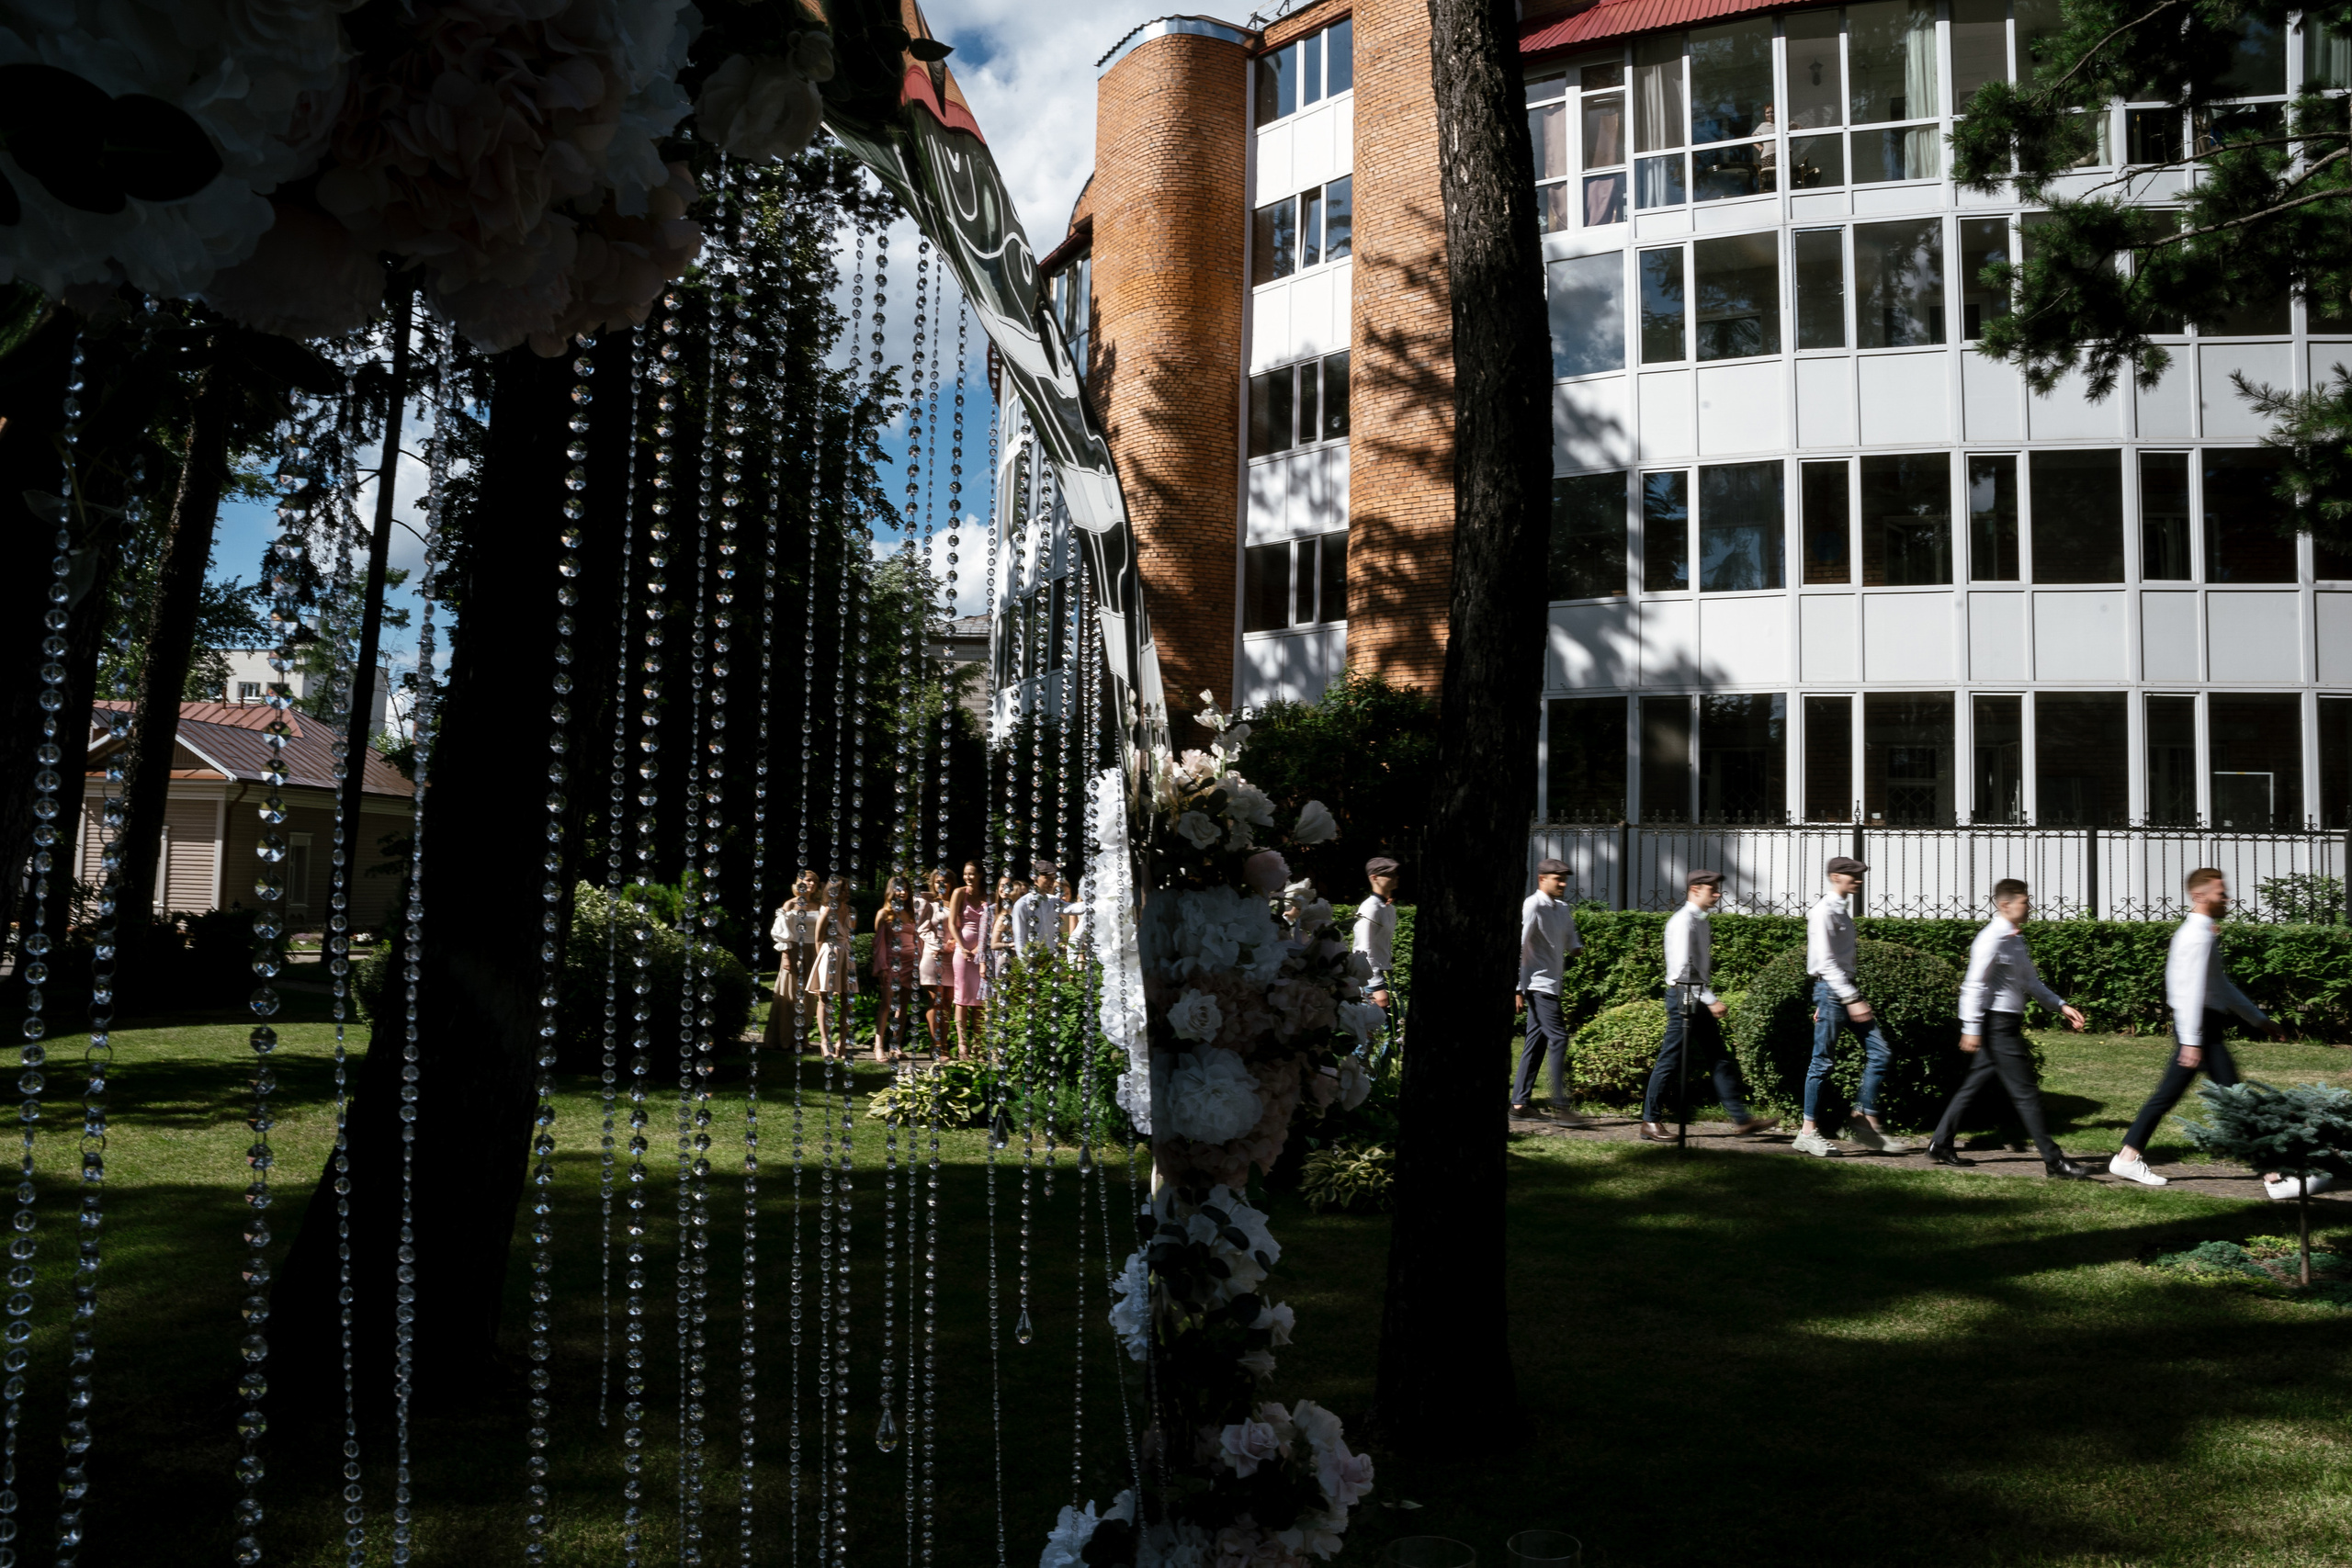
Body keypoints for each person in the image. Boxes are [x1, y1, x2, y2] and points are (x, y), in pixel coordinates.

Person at [2109, 867, 2284, 1187]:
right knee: (2233, 1098)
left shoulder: (2203, 932)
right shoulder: (2196, 936)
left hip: (2204, 1028)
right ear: (2200, 896)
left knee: (2183, 1096)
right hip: (2200, 1028)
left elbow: (2221, 987)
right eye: (2221, 894)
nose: (2227, 899)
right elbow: (2184, 990)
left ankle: (2127, 1157)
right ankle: (2273, 1175)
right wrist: (2191, 1040)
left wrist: (2259, 1020)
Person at [1923, 879, 2096, 1179]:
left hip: (2004, 1024)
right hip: (1997, 1025)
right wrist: (1972, 1027)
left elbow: (2030, 981)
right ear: (2006, 905)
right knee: (2026, 1092)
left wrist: (2061, 1005)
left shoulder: (2014, 939)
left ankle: (1940, 1142)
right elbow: (1973, 985)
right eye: (2025, 902)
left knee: (1973, 1085)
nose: (2029, 907)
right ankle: (2054, 1162)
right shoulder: (1991, 939)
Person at [1641, 871, 1778, 1143]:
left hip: (1696, 995)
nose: (1717, 894)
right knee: (1670, 1059)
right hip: (1685, 995)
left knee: (1719, 1057)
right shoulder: (1683, 922)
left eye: (1717, 890)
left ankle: (1741, 1120)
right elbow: (1684, 970)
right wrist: (1711, 999)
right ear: (1694, 890)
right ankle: (1650, 1121)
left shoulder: (1700, 920)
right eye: (1711, 890)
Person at [1797, 856, 1911, 1157]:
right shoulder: (1823, 912)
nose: (1858, 880)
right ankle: (1807, 1133)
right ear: (1836, 877)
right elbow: (1825, 962)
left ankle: (1863, 1120)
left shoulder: (1840, 911)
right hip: (1835, 991)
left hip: (1840, 991)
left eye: (1860, 875)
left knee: (1880, 1053)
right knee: (1822, 1063)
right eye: (1853, 876)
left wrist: (1844, 995)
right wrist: (1849, 998)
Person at [1511, 858, 1582, 1121]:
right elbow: (1519, 944)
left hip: (1552, 984)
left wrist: (1575, 947)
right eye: (1558, 879)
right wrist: (1517, 988)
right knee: (1559, 1038)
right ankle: (1561, 1106)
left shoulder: (1561, 908)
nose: (1563, 883)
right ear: (1543, 879)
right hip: (1537, 984)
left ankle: (1519, 1104)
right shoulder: (1533, 905)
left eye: (1565, 879)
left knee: (1536, 1041)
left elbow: (1569, 936)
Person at [763, 869, 821, 1052]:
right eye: (807, 880)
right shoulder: (789, 905)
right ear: (798, 883)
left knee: (809, 997)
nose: (811, 883)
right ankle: (785, 1038)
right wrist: (786, 956)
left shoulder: (820, 905)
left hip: (815, 951)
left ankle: (803, 1038)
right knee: (791, 994)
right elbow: (782, 933)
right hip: (794, 950)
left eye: (814, 881)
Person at [805, 874, 859, 1062]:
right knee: (825, 998)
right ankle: (825, 1042)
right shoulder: (827, 911)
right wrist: (823, 963)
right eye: (842, 889)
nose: (845, 892)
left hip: (846, 953)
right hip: (829, 953)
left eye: (847, 889)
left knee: (847, 1000)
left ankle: (842, 1043)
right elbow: (818, 939)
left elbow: (851, 935)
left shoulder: (852, 911)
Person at [870, 874, 922, 1063]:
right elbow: (878, 943)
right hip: (892, 964)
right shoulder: (883, 913)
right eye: (899, 889)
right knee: (886, 1004)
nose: (903, 893)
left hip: (911, 963)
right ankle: (878, 1046)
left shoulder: (911, 913)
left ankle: (896, 1044)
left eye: (906, 889)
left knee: (903, 1006)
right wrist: (882, 967)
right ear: (891, 891)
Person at [946, 860, 989, 1060]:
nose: (968, 877)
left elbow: (992, 923)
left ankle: (978, 1047)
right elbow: (953, 923)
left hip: (982, 952)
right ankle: (962, 1045)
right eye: (965, 874)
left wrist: (980, 948)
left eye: (971, 874)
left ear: (980, 875)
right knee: (962, 999)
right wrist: (962, 947)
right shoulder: (959, 893)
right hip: (962, 952)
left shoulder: (988, 896)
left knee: (980, 1000)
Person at [1354, 857, 1401, 1012]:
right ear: (1374, 878)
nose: (1395, 877)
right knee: (1380, 1034)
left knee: (1397, 1030)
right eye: (1390, 874)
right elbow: (1363, 948)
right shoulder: (1370, 908)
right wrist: (1375, 986)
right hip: (1372, 981)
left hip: (1386, 976)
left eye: (1395, 874)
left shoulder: (1388, 907)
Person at [917, 868, 954, 1053]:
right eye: (938, 881)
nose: (942, 885)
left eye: (945, 881)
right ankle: (936, 1045)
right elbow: (922, 930)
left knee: (948, 1003)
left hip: (953, 957)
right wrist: (941, 947)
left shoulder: (958, 903)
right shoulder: (929, 904)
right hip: (934, 957)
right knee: (936, 1003)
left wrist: (954, 944)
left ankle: (945, 1045)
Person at [1011, 862, 1063, 958]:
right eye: (1048, 878)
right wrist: (1025, 965)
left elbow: (1072, 908)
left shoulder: (1053, 900)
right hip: (1032, 958)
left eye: (1053, 879)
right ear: (1034, 877)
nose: (1052, 882)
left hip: (1053, 958)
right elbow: (1019, 938)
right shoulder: (1022, 905)